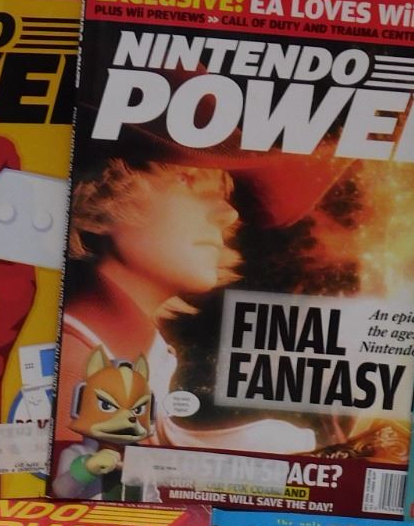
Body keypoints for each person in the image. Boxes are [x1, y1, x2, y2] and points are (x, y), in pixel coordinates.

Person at [57, 158, 315, 475]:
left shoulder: (116, 358)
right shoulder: (75, 365)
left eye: (222, 193)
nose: (228, 214)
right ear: (102, 188)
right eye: (186, 179)